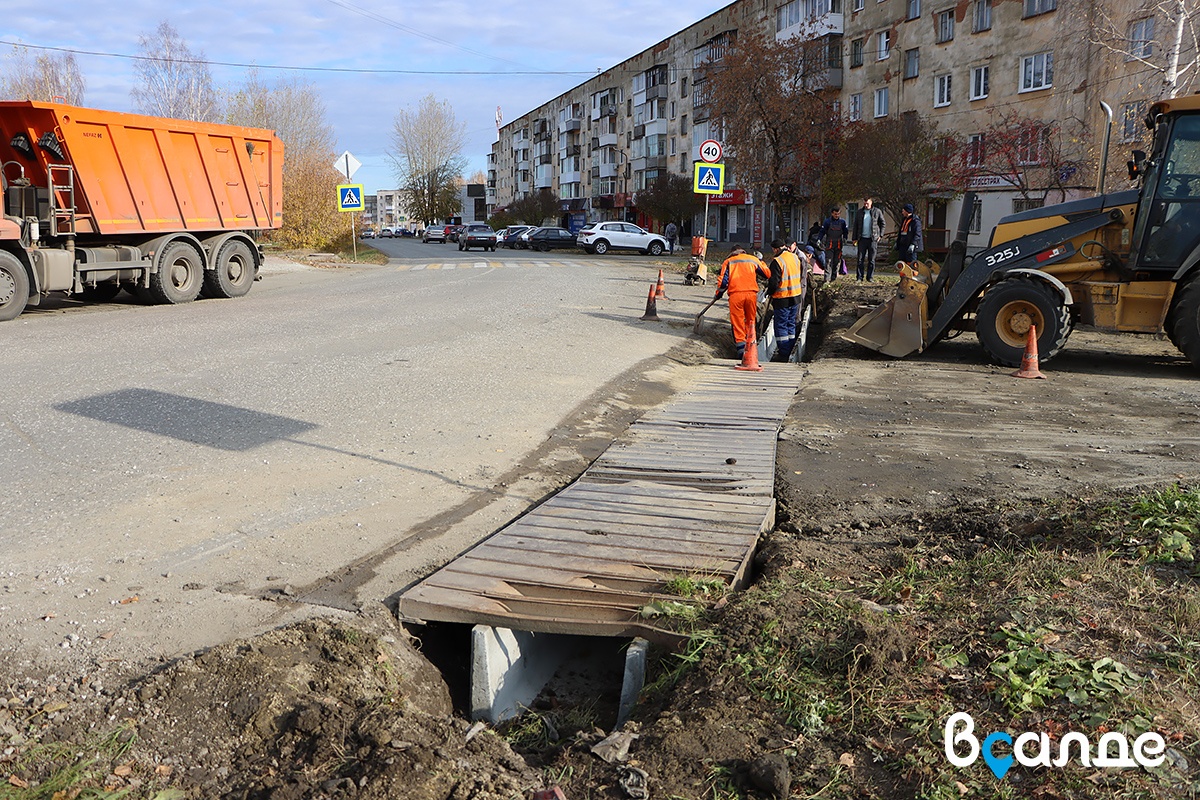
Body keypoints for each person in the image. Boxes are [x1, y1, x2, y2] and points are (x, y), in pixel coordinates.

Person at [714, 245, 770, 361]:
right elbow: (767, 274)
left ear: (732, 252)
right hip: (751, 295)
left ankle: (741, 353)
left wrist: (719, 294)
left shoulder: (728, 262)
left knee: (738, 323)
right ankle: (751, 347)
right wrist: (761, 261)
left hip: (736, 295)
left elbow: (723, 282)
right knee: (750, 321)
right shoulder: (752, 260)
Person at [767, 239, 806, 362]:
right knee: (791, 323)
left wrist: (769, 292)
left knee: (781, 325)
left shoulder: (777, 261)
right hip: (795, 296)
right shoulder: (795, 257)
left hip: (782, 298)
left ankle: (784, 352)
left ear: (775, 249)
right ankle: (790, 348)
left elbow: (774, 282)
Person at [853, 198, 886, 282]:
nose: (865, 205)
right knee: (860, 259)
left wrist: (880, 235)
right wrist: (854, 238)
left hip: (873, 239)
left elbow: (883, 223)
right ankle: (859, 277)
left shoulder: (877, 211)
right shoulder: (859, 212)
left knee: (871, 260)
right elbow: (855, 226)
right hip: (862, 239)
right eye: (864, 203)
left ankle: (870, 277)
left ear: (871, 203)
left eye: (867, 203)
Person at [818, 207, 849, 282]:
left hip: (838, 244)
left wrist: (845, 238)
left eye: (838, 214)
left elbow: (845, 231)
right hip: (830, 244)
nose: (837, 215)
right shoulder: (827, 222)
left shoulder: (842, 222)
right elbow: (822, 231)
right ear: (832, 213)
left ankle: (834, 278)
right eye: (835, 214)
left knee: (837, 261)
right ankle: (827, 279)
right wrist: (819, 239)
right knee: (828, 261)